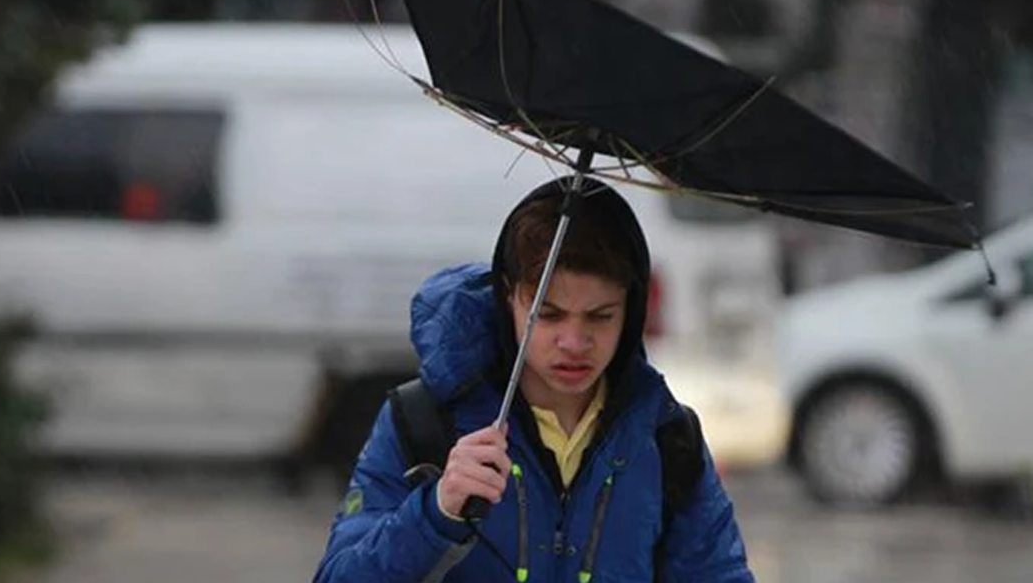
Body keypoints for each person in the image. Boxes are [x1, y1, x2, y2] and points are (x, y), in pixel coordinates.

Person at [311, 176, 755, 583]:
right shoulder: (424, 420)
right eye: (549, 314)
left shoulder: (667, 438)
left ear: (631, 309)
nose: (574, 342)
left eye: (600, 317)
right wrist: (435, 511)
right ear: (508, 299)